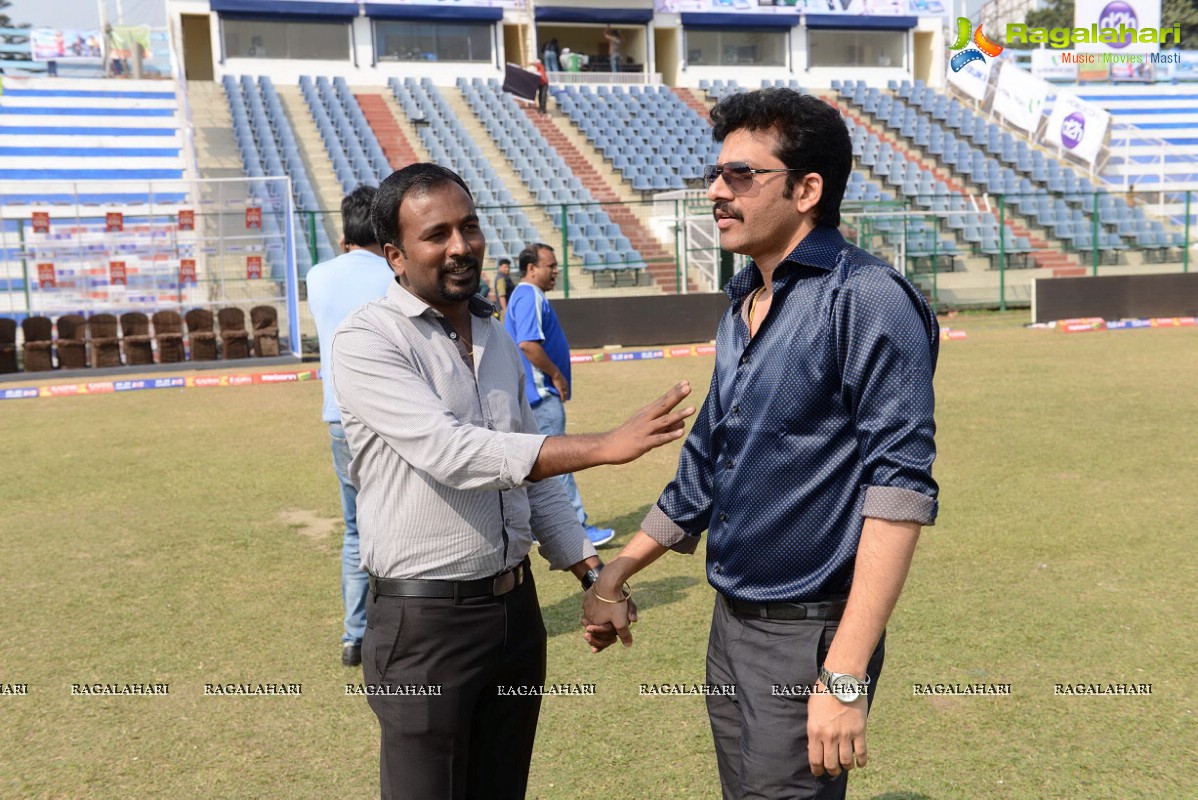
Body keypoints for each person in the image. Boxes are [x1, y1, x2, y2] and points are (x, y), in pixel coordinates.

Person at [582, 89, 940, 799]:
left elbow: (900, 491)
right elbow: (705, 470)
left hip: (808, 636)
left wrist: (842, 673)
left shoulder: (866, 298)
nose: (717, 191)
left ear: (808, 189)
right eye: (717, 175)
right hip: (732, 624)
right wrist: (615, 575)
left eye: (742, 176)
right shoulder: (743, 301)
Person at [330, 163, 695, 800]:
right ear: (395, 255)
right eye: (436, 233)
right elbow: (454, 453)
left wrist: (591, 574)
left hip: (515, 619)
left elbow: (533, 477)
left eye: (469, 226)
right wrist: (603, 448)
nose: (460, 245)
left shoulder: (494, 336)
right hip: (425, 625)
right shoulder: (366, 340)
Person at [304, 186, 396, 668]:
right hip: (395, 416)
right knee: (405, 520)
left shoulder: (318, 276)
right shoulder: (397, 273)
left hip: (340, 418)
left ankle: (353, 635)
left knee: (356, 530)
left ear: (343, 233)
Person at [505, 243, 616, 547]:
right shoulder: (529, 295)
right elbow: (528, 344)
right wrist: (555, 374)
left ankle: (543, 528)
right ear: (531, 269)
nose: (555, 271)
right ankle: (575, 528)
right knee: (558, 462)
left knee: (539, 465)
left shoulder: (525, 295)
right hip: (540, 396)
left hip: (532, 396)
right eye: (550, 266)